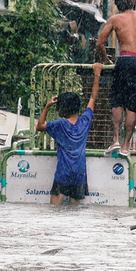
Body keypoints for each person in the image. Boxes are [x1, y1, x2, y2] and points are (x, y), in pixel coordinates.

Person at [95, 0, 136, 156]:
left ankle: (115, 139)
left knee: (117, 101)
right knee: (132, 106)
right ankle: (126, 146)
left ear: (116, 4)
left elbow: (100, 43)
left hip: (125, 59)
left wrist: (106, 60)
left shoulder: (115, 19)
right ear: (133, 2)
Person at [36, 63, 102, 205]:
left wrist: (47, 106)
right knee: (75, 213)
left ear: (62, 108)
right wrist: (97, 74)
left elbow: (39, 126)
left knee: (54, 210)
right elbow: (92, 98)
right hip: (79, 174)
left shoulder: (60, 124)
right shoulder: (85, 121)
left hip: (63, 173)